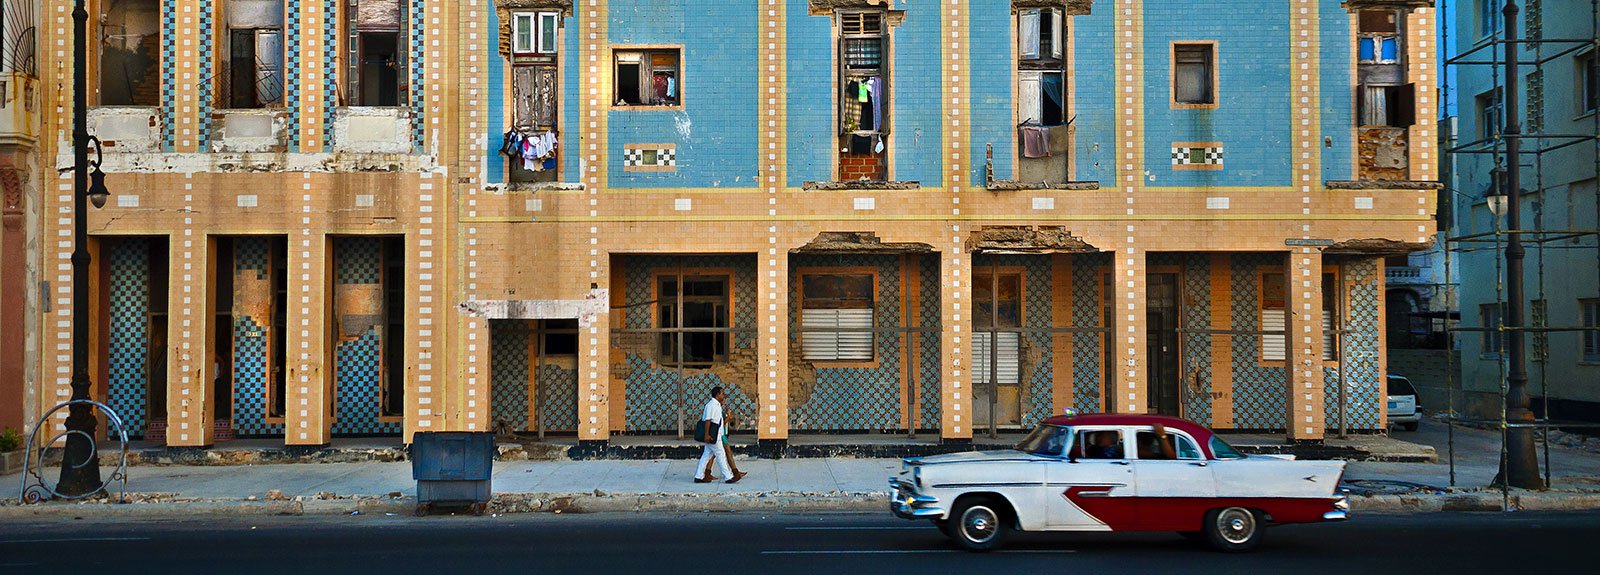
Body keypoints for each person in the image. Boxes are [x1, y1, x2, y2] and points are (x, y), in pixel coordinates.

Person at [693, 386, 746, 484]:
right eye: (722, 393)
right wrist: (707, 435)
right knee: (721, 454)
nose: (723, 395)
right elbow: (708, 420)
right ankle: (728, 477)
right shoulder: (711, 405)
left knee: (706, 456)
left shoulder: (717, 405)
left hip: (716, 434)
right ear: (717, 395)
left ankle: (699, 476)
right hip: (713, 435)